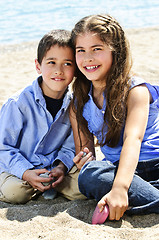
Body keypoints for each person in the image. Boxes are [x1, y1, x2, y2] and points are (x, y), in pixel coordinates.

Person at [69, 14, 159, 221]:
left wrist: (119, 188)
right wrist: (83, 159)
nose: (87, 58)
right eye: (80, 51)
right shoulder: (78, 102)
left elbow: (133, 139)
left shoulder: (135, 89)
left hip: (153, 164)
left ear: (115, 51)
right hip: (120, 171)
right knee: (89, 174)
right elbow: (86, 153)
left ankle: (133, 197)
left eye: (96, 49)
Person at [0, 29, 85, 204]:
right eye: (51, 62)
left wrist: (61, 167)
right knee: (16, 192)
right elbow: (4, 148)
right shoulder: (17, 103)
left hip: (51, 169)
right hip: (17, 168)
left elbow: (70, 146)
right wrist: (25, 172)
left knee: (82, 189)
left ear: (76, 69)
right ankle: (35, 185)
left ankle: (49, 184)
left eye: (67, 64)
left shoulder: (74, 106)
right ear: (38, 66)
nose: (59, 70)